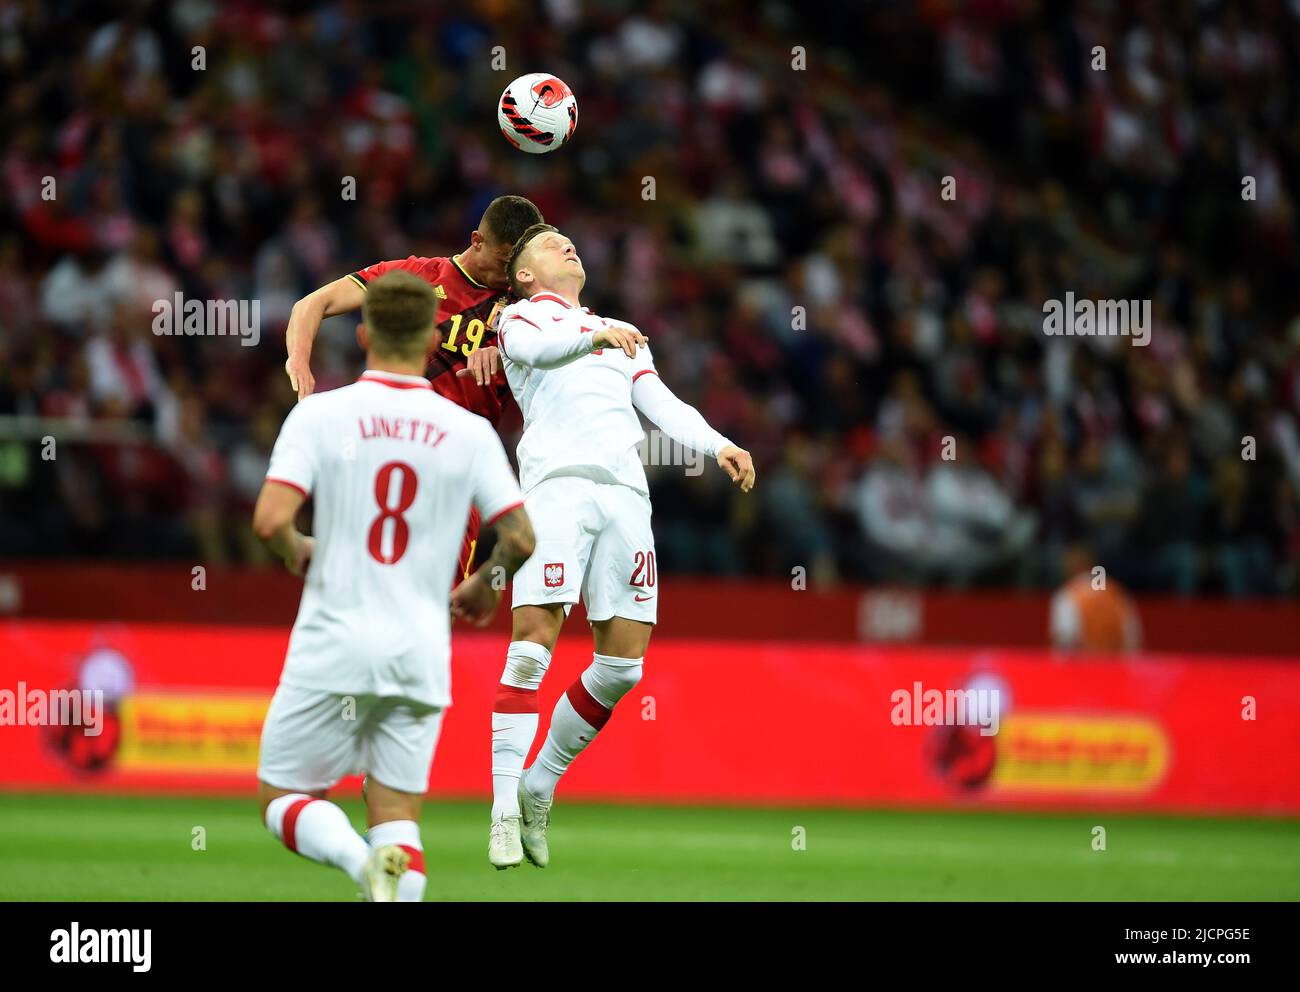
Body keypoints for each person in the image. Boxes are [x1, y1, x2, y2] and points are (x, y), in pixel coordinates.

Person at [451, 223, 755, 870]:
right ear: (524, 273)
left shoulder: (618, 331)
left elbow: (661, 403)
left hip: (625, 496)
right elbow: (541, 357)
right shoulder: (520, 319)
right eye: (549, 243)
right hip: (558, 489)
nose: (569, 246)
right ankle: (503, 807)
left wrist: (717, 444)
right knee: (533, 647)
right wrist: (595, 334)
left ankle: (540, 782)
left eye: (570, 240)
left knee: (623, 667)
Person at [254, 271, 535, 900]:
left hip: (334, 641)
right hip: (419, 654)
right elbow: (519, 537)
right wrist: (488, 583)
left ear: (363, 333)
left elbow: (271, 519)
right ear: (431, 339)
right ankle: (383, 869)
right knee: (398, 822)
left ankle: (359, 867)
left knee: (284, 796)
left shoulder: (321, 415)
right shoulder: (469, 432)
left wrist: (297, 548)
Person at [283, 194, 543, 578]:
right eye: (504, 262)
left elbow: (567, 344)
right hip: (389, 443)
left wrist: (505, 354)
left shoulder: (527, 306)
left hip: (461, 459)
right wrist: (299, 361)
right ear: (476, 241)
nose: (510, 274)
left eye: (518, 265)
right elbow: (313, 303)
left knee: (441, 591)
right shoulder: (419, 277)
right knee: (368, 575)